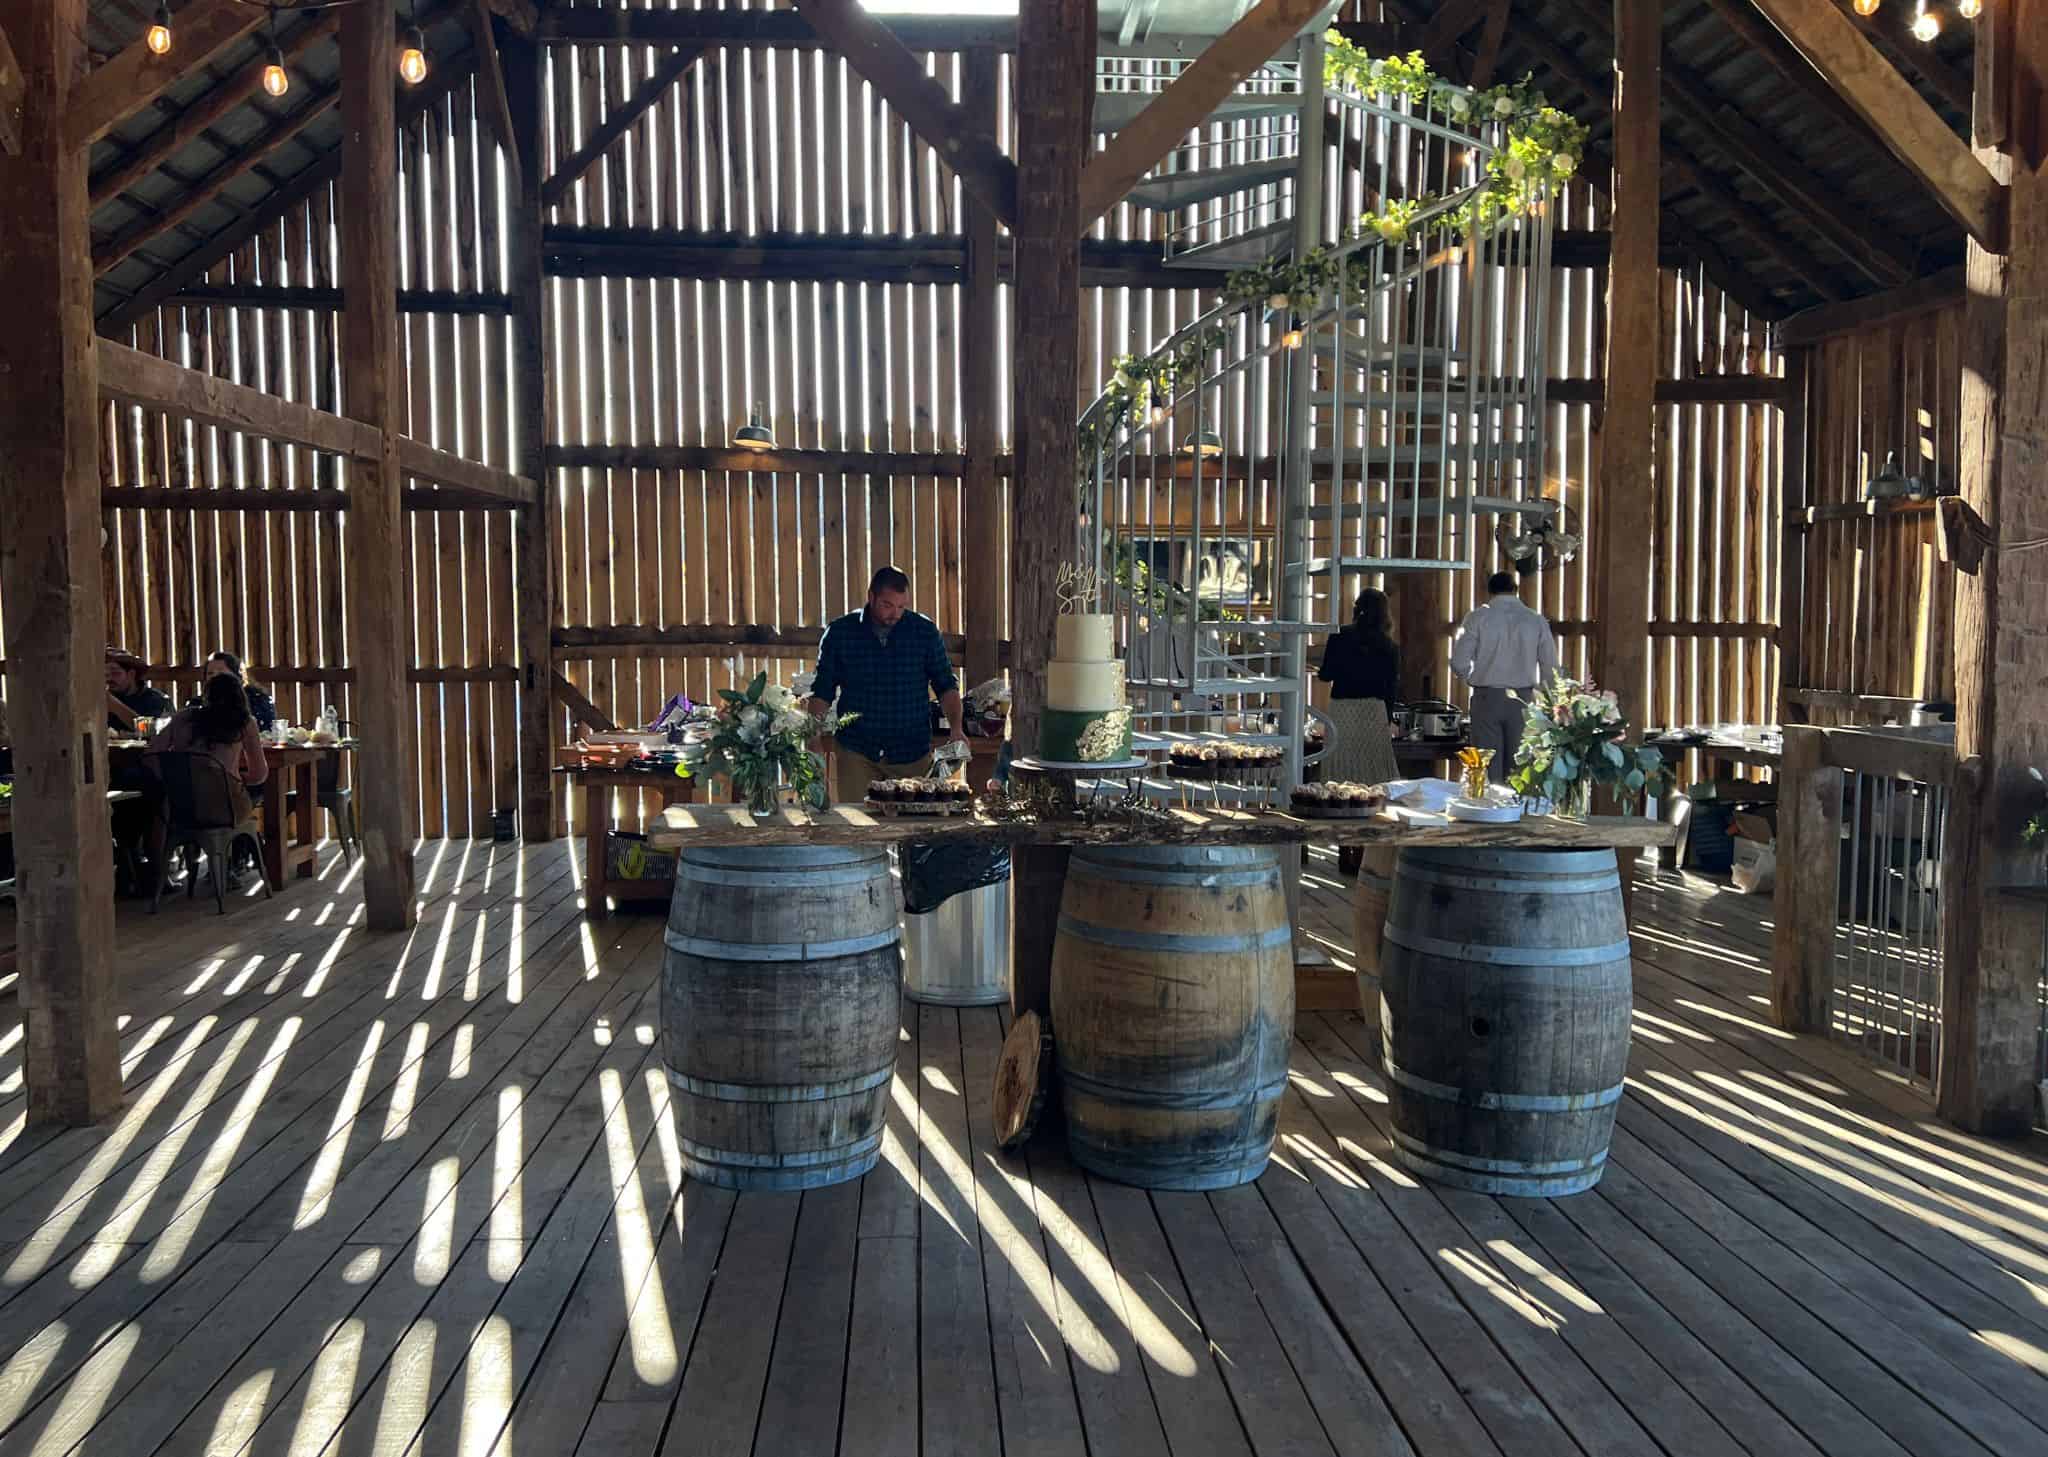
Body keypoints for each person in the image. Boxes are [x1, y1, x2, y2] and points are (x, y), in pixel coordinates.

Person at [807, 566, 966, 803]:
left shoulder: (923, 632)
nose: (895, 613)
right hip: (857, 751)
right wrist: (813, 737)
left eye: (902, 606)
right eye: (887, 605)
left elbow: (946, 685)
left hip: (911, 752)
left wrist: (956, 728)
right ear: (871, 597)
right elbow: (822, 691)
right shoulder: (840, 633)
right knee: (860, 829)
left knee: (914, 833)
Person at [150, 673, 270, 887]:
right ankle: (226, 869)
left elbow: (153, 754)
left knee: (164, 804)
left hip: (182, 808)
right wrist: (231, 778)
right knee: (239, 796)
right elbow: (259, 774)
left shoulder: (182, 718)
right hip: (225, 808)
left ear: (206, 696)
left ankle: (160, 873)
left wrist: (171, 780)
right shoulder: (244, 722)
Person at [1315, 590, 1404, 874]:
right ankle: (1367, 850)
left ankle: (1345, 850)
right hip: (1373, 712)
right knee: (1372, 776)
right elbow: (1391, 689)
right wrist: (1388, 720)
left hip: (1343, 710)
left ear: (1356, 610)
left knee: (1341, 774)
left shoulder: (1340, 637)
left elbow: (1325, 674)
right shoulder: (1389, 646)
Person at [1451, 571, 1558, 782]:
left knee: (1486, 769)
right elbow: (1550, 666)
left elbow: (1459, 662)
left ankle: (1489, 811)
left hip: (1487, 698)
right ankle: (1517, 812)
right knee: (1519, 771)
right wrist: (1550, 702)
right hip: (1522, 700)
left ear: (1489, 591)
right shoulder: (1535, 620)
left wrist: (1472, 675)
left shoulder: (1478, 618)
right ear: (1515, 590)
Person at [189, 650, 277, 731]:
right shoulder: (196, 705)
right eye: (210, 673)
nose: (215, 677)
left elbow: (268, 733)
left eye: (221, 673)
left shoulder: (259, 701)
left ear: (237, 676)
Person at [106, 647, 171, 732]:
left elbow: (154, 730)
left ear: (131, 674)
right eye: (106, 675)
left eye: (115, 673)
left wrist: (116, 706)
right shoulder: (102, 700)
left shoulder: (157, 700)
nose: (109, 679)